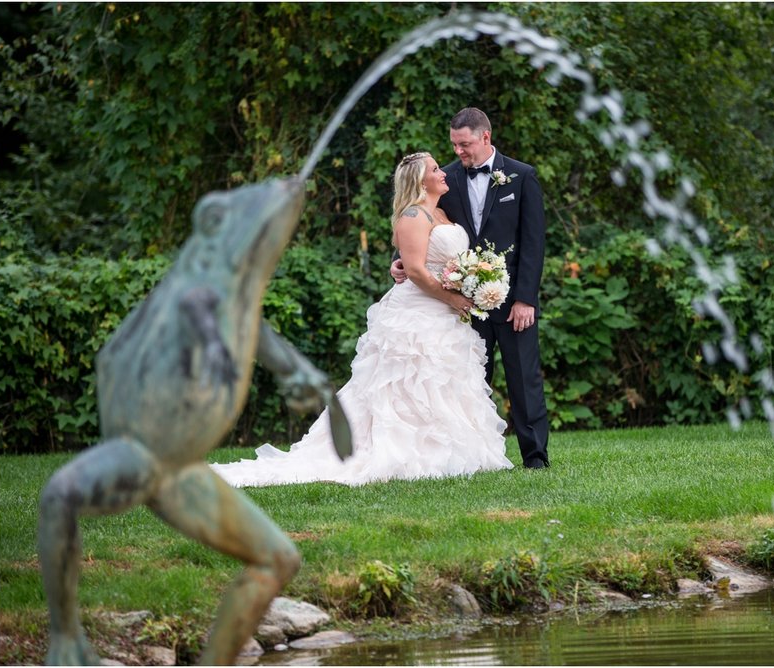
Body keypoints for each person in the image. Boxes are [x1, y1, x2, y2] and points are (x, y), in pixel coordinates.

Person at [211, 152, 514, 487]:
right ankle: (405, 452)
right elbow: (413, 270)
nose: (443, 172)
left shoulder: (440, 212)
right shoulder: (413, 215)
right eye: (435, 169)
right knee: (409, 384)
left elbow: (437, 261)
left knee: (445, 382)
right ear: (418, 180)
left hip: (444, 312)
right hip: (418, 312)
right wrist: (453, 297)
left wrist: (472, 281)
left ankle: (455, 453)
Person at [392, 108, 550, 469]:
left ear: (485, 138)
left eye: (464, 145)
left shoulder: (522, 177)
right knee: (470, 382)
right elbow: (420, 221)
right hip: (461, 304)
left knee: (524, 378)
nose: (459, 152)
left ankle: (536, 459)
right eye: (454, 144)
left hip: (512, 301)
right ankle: (478, 457)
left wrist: (526, 298)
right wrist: (398, 259)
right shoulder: (444, 179)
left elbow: (533, 242)